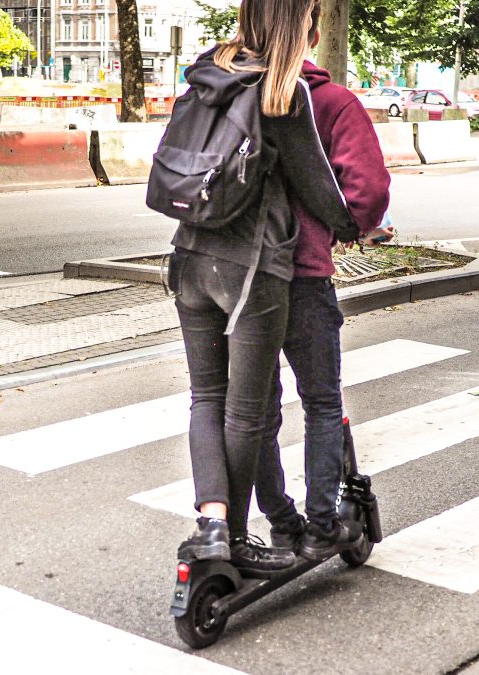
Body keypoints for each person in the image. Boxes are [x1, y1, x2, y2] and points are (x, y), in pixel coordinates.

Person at [170, 0, 358, 572]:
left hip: (189, 257)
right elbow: (318, 185)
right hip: (252, 271)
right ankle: (230, 539)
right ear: (299, 23)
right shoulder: (283, 92)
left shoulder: (207, 75)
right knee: (248, 414)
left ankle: (211, 524)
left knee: (207, 397)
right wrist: (353, 226)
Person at [252, 15, 393, 561]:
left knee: (256, 411)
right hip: (303, 273)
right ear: (309, 34)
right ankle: (321, 520)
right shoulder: (329, 101)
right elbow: (369, 187)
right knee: (321, 401)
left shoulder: (226, 92)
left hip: (238, 278)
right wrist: (348, 226)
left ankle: (280, 522)